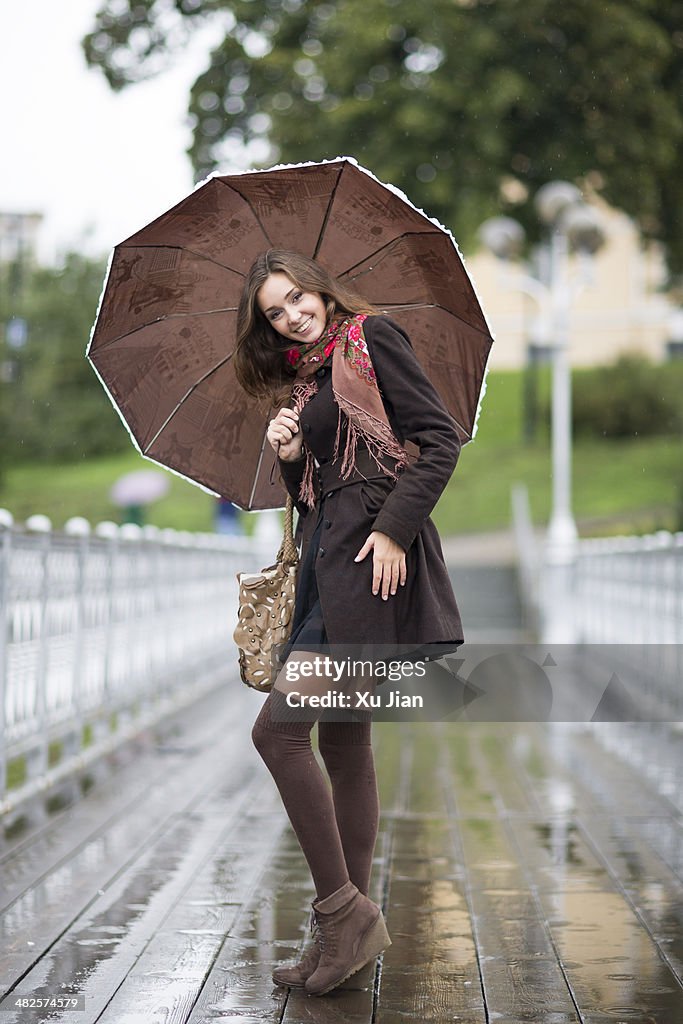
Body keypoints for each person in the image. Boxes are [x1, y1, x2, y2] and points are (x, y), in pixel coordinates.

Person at [234, 249, 464, 997]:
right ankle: (344, 930)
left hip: (370, 562)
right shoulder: (307, 379)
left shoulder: (371, 338)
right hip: (327, 568)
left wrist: (396, 528)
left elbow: (438, 439)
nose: (292, 314)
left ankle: (342, 916)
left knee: (276, 733)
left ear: (319, 291)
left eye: (297, 297)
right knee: (341, 739)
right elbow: (316, 493)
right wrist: (294, 455)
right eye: (275, 311)